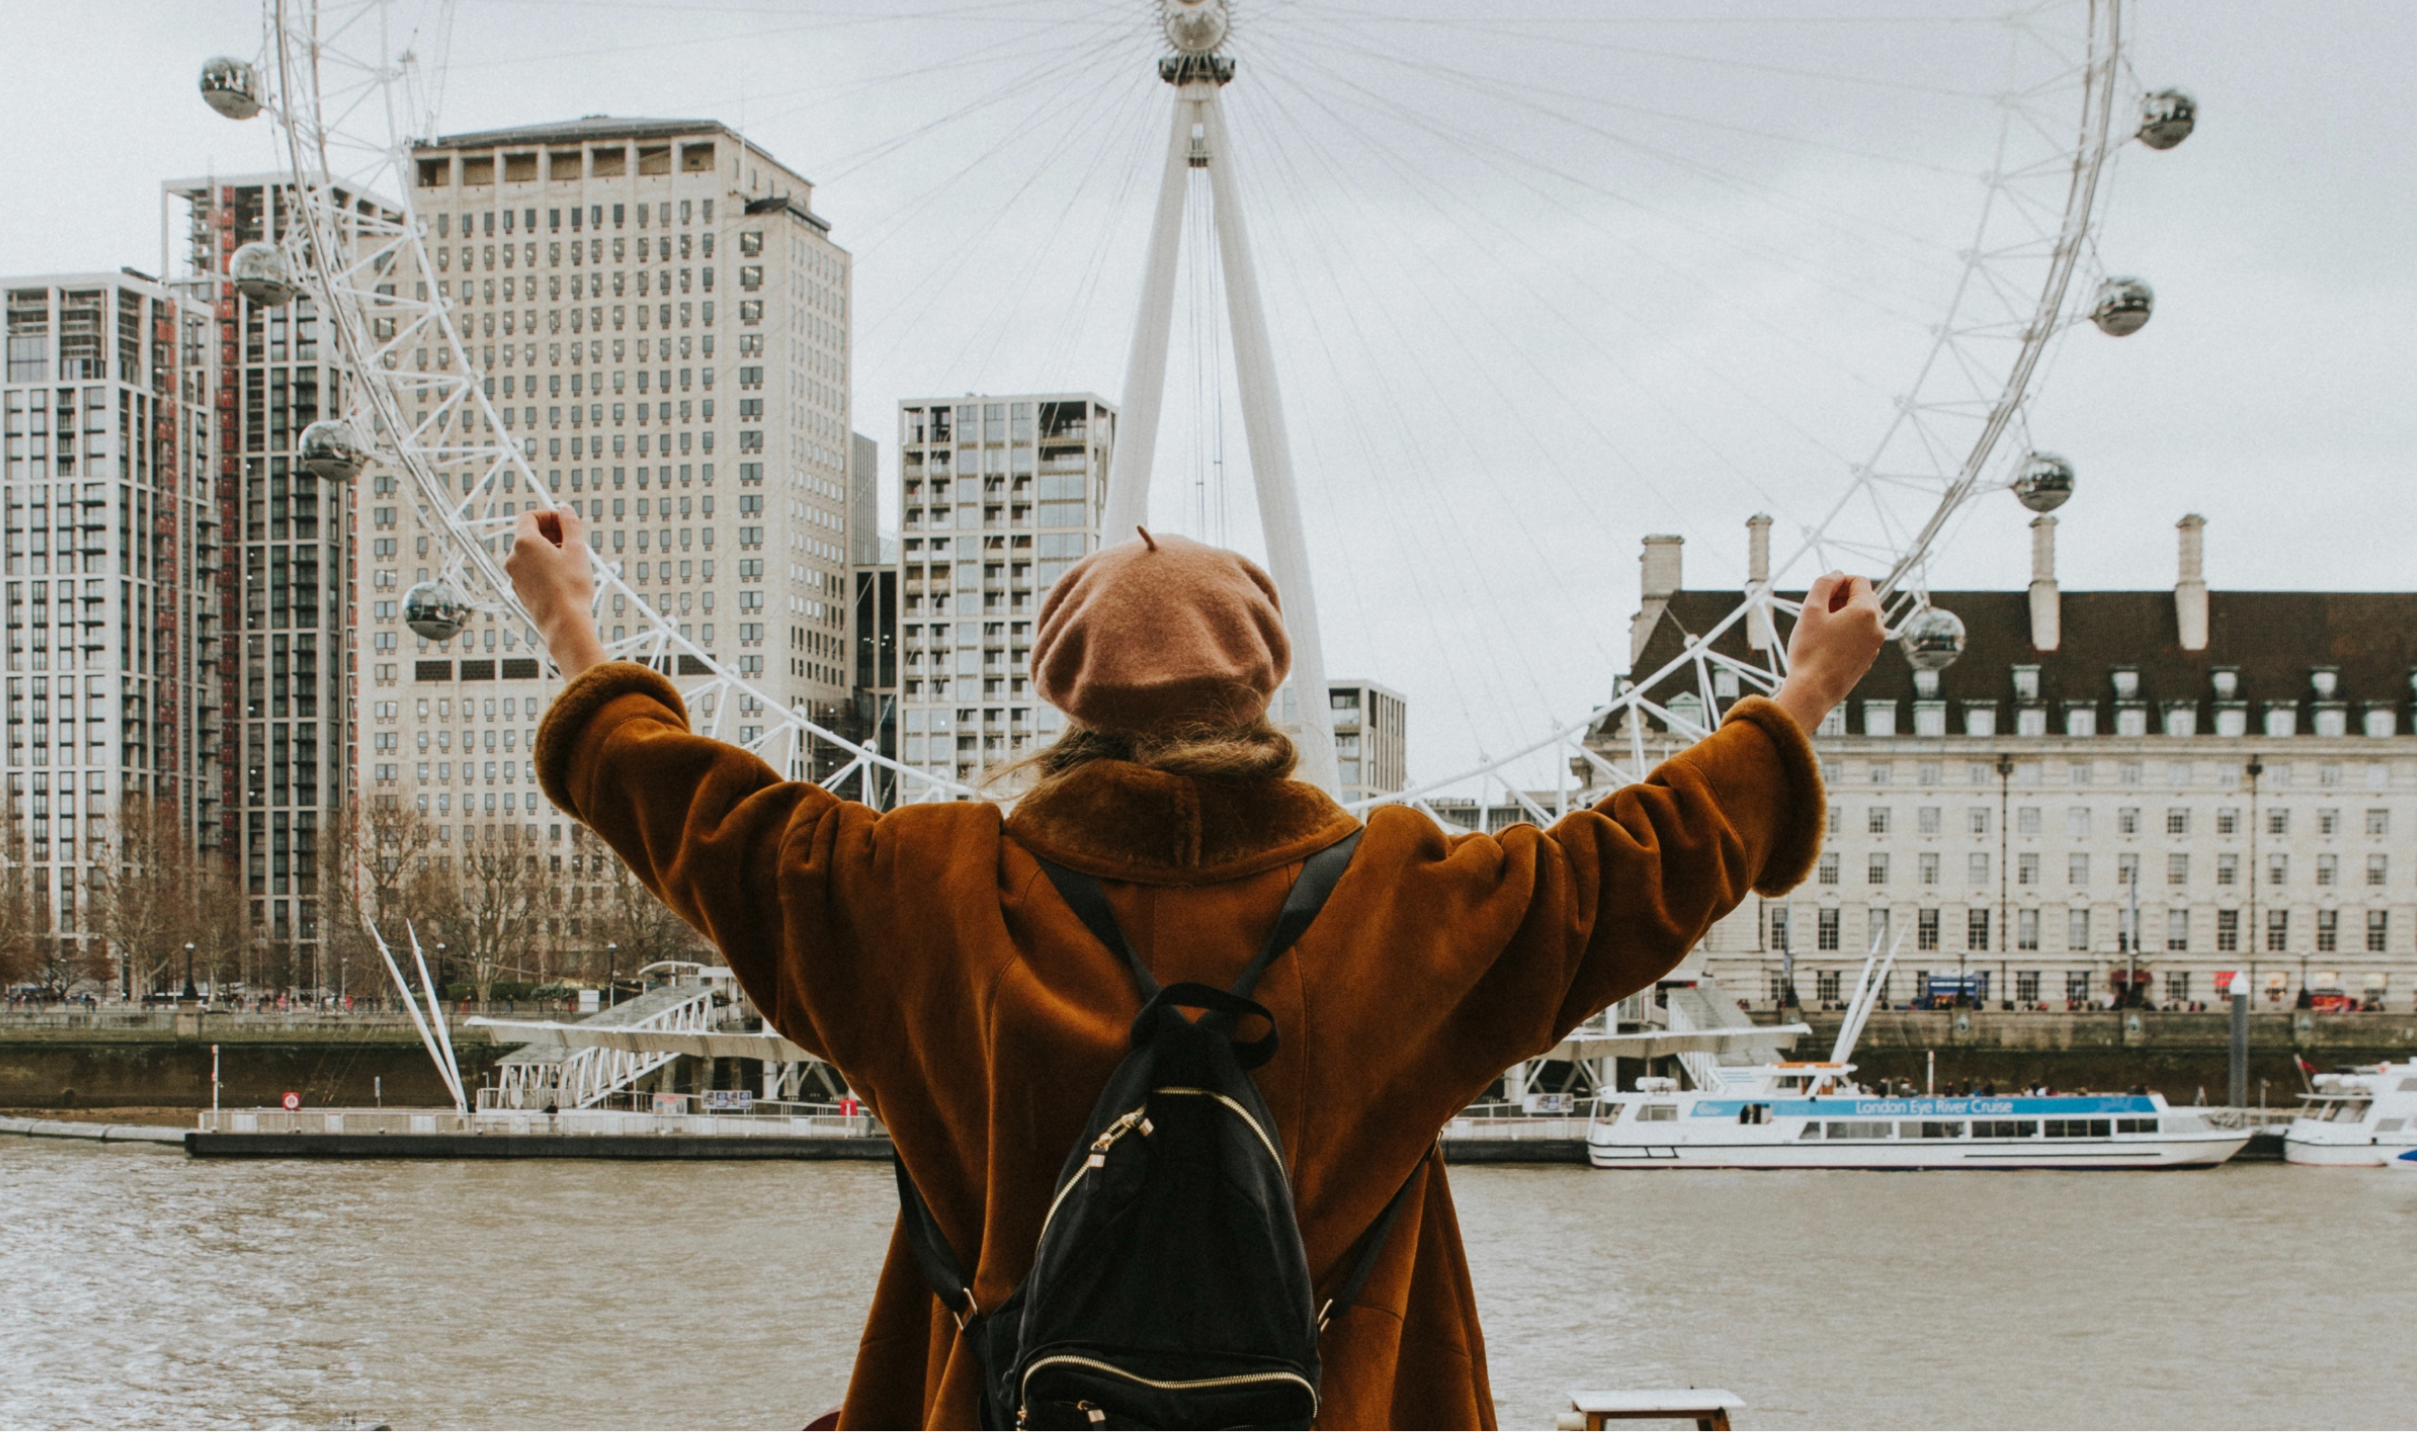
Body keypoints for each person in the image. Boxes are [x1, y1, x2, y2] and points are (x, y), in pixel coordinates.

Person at [505, 512, 1883, 1432]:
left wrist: (575, 627)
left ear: (1065, 695)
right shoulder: (1406, 906)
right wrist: (1804, 691)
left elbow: (689, 810)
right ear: (1264, 686)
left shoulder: (915, 895)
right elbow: (1640, 857)